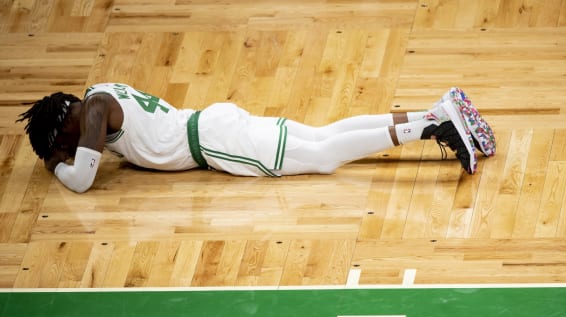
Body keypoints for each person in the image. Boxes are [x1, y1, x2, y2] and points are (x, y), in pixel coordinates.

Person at [17, 83, 496, 193]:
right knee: (326, 134)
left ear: (65, 124)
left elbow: (81, 179)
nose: (68, 147)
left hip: (213, 143)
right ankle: (435, 111)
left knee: (325, 157)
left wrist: (52, 163)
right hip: (213, 126)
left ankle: (432, 127)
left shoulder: (95, 109)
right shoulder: (100, 96)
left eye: (61, 140)